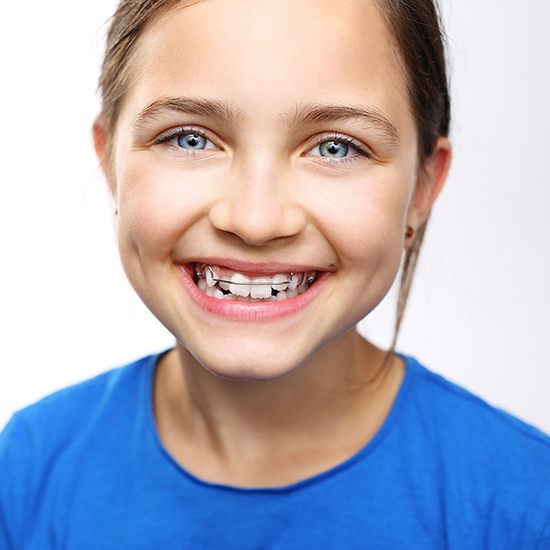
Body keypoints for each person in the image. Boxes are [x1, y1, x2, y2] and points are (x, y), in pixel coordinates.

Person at [1, 0, 549, 547]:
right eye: (190, 138)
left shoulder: (524, 506)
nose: (255, 220)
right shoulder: (27, 474)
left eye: (336, 147)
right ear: (110, 165)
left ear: (422, 187)